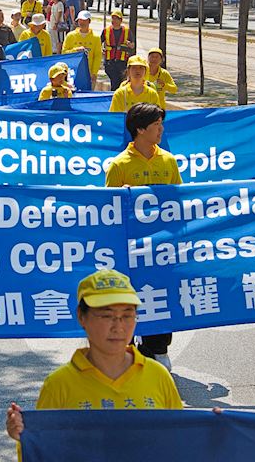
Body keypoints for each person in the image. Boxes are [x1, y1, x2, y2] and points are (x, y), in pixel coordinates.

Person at [4, 269, 182, 445]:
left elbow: (181, 442)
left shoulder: (158, 376)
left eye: (127, 315)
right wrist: (25, 436)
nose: (118, 326)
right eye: (106, 315)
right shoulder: (58, 385)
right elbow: (45, 449)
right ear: (81, 317)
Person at [103, 104, 182, 369]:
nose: (161, 129)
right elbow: (109, 210)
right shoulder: (119, 165)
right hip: (130, 248)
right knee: (127, 299)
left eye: (161, 124)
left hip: (161, 247)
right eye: (156, 124)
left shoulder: (168, 161)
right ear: (139, 129)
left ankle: (157, 349)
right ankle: (125, 349)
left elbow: (179, 202)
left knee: (160, 295)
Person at [62, 11, 102, 86]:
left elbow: (97, 56)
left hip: (88, 73)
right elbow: (64, 53)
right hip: (73, 72)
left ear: (89, 21)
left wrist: (94, 72)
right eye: (80, 20)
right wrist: (75, 50)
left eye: (84, 20)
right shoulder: (70, 36)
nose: (82, 23)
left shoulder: (96, 38)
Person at [102, 11, 134, 89]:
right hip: (110, 61)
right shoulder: (106, 30)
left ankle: (116, 94)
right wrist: (101, 50)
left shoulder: (127, 31)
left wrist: (129, 44)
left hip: (122, 61)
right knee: (114, 81)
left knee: (120, 81)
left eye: (117, 19)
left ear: (121, 20)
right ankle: (115, 93)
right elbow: (99, 42)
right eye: (113, 18)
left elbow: (132, 45)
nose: (114, 21)